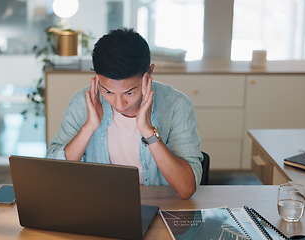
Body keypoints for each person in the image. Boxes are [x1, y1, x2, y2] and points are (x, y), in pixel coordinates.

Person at [47, 28, 202, 199]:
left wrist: (148, 132)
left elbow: (186, 188)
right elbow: (54, 174)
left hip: (159, 205)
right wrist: (88, 128)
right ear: (97, 78)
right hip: (98, 203)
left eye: (129, 93)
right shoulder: (82, 103)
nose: (119, 104)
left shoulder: (176, 105)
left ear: (149, 73)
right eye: (108, 92)